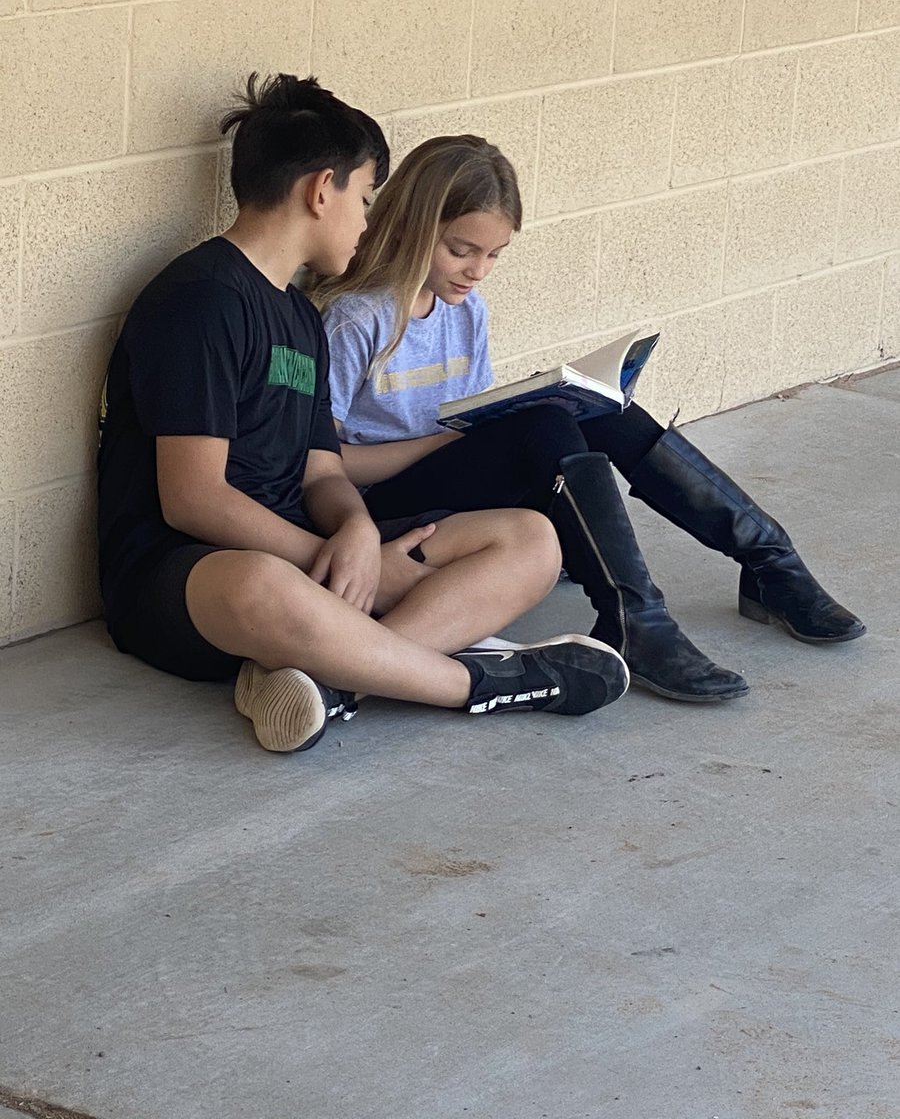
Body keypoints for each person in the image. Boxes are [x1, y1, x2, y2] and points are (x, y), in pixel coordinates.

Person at [96, 78, 631, 755]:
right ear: (322, 190)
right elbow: (193, 499)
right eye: (366, 197)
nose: (371, 221)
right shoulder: (200, 299)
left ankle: (329, 682)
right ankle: (485, 683)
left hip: (305, 558)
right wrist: (344, 562)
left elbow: (323, 467)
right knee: (263, 585)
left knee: (530, 541)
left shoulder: (297, 315)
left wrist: (353, 531)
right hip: (184, 575)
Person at [313, 135, 865, 704]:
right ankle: (636, 618)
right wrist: (439, 445)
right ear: (413, 224)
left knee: (605, 410)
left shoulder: (464, 308)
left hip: (452, 482)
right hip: (382, 507)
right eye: (461, 250)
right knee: (544, 424)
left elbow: (463, 419)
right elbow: (326, 464)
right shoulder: (356, 319)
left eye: (494, 255)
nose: (478, 270)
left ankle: (769, 560)